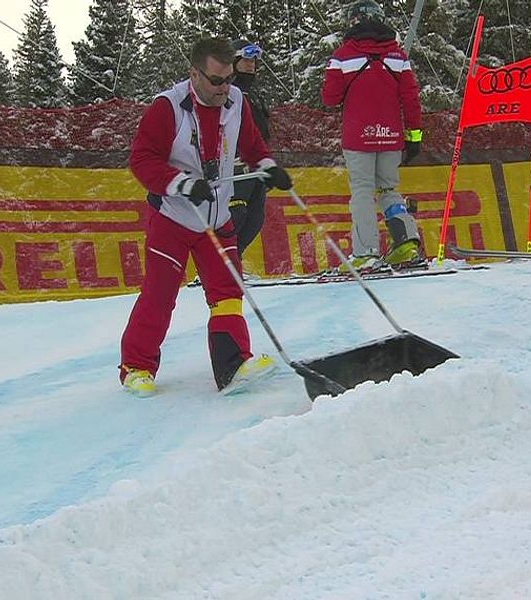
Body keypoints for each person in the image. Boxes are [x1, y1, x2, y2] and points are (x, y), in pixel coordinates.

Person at [120, 37, 292, 396]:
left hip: (216, 217)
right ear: (194, 74)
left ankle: (233, 365)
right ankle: (136, 368)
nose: (224, 88)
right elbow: (142, 160)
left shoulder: (236, 101)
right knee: (160, 295)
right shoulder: (167, 108)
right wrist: (180, 183)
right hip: (174, 218)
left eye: (228, 78)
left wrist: (268, 166)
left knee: (228, 291)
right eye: (216, 80)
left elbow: (252, 145)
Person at [321, 0, 425, 271]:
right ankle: (406, 243)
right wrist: (414, 137)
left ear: (353, 21)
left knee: (363, 192)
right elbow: (411, 99)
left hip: (358, 137)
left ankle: (366, 252)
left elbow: (330, 98)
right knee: (389, 189)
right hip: (391, 136)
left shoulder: (342, 56)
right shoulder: (399, 56)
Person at [228, 39, 270, 258]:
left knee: (255, 218)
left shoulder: (252, 92)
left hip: (255, 164)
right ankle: (215, 263)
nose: (251, 63)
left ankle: (234, 259)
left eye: (254, 59)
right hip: (234, 162)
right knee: (236, 212)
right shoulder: (225, 90)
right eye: (246, 59)